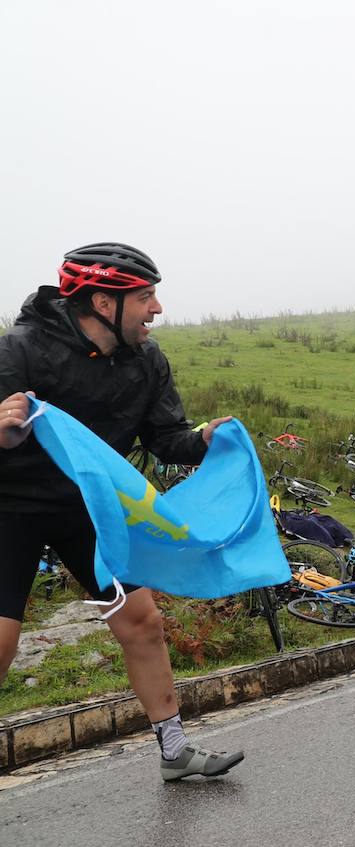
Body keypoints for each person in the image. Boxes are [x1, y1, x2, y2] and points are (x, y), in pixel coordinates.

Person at [0, 243, 242, 781]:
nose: (157, 309)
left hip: (89, 509)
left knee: (142, 622)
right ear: (104, 302)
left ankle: (175, 751)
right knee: (2, 641)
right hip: (11, 506)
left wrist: (204, 439)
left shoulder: (147, 360)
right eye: (146, 297)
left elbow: (166, 439)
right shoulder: (18, 350)